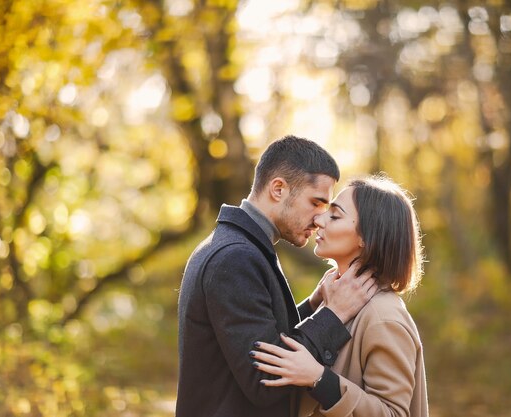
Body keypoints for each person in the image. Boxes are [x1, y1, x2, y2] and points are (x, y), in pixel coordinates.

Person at [176, 135, 378, 417]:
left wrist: (312, 305)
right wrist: (333, 314)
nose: (320, 219)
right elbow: (265, 380)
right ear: (279, 189)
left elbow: (256, 335)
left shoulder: (239, 246)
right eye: (316, 203)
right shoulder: (235, 257)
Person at [251, 175, 429, 417]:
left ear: (366, 237)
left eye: (334, 215)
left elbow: (394, 413)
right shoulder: (335, 299)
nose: (318, 219)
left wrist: (319, 378)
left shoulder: (383, 317)